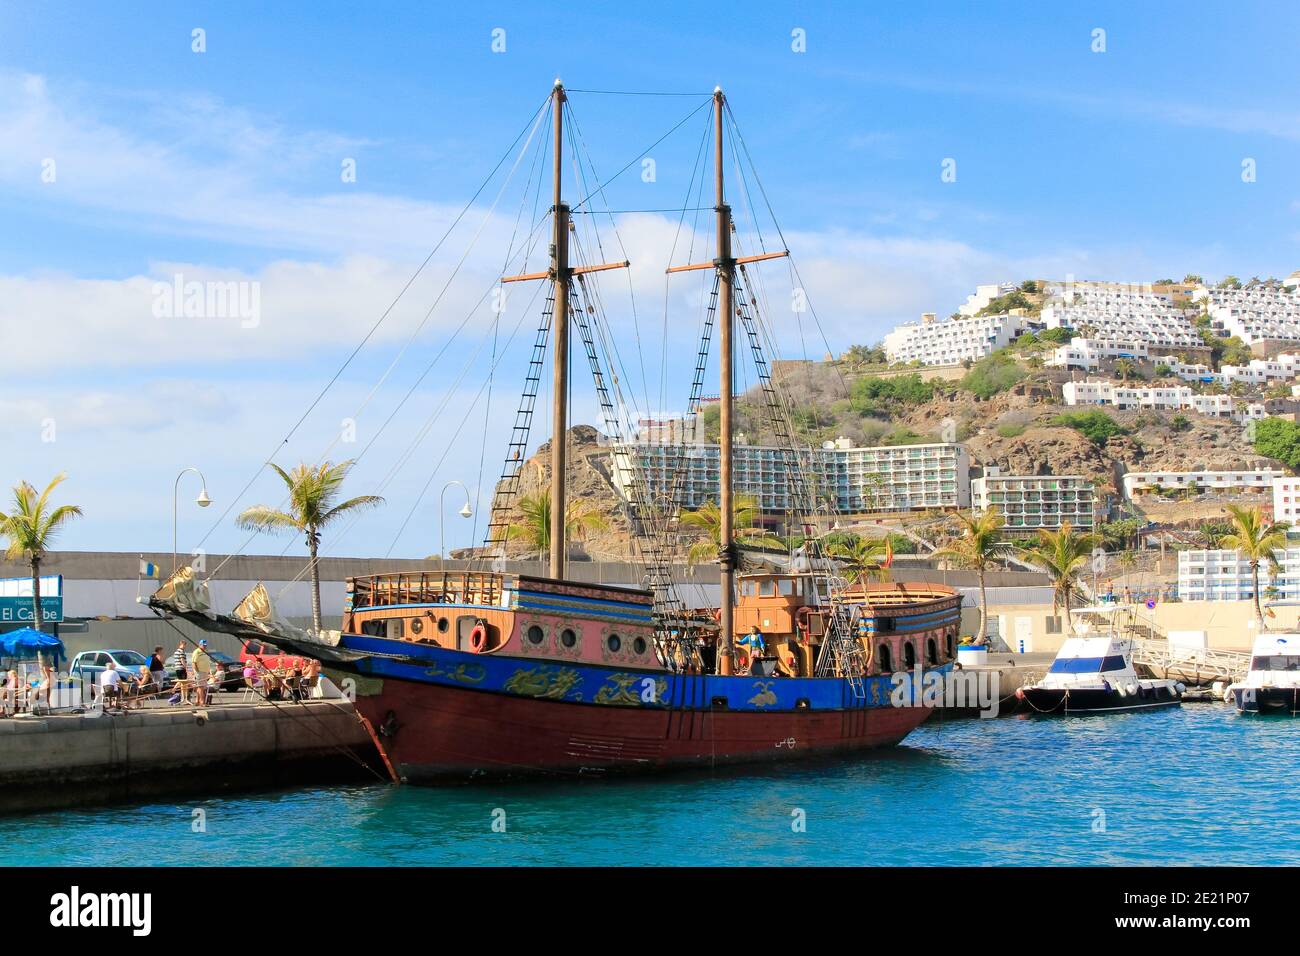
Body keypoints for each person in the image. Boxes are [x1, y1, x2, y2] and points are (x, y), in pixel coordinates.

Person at [190, 640, 213, 706]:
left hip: (205, 671)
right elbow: (194, 662)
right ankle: (202, 702)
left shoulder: (205, 652)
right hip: (199, 671)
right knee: (201, 687)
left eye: (205, 645)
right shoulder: (196, 652)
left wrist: (208, 671)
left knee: (201, 686)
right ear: (200, 645)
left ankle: (197, 701)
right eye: (203, 645)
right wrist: (197, 671)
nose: (205, 646)